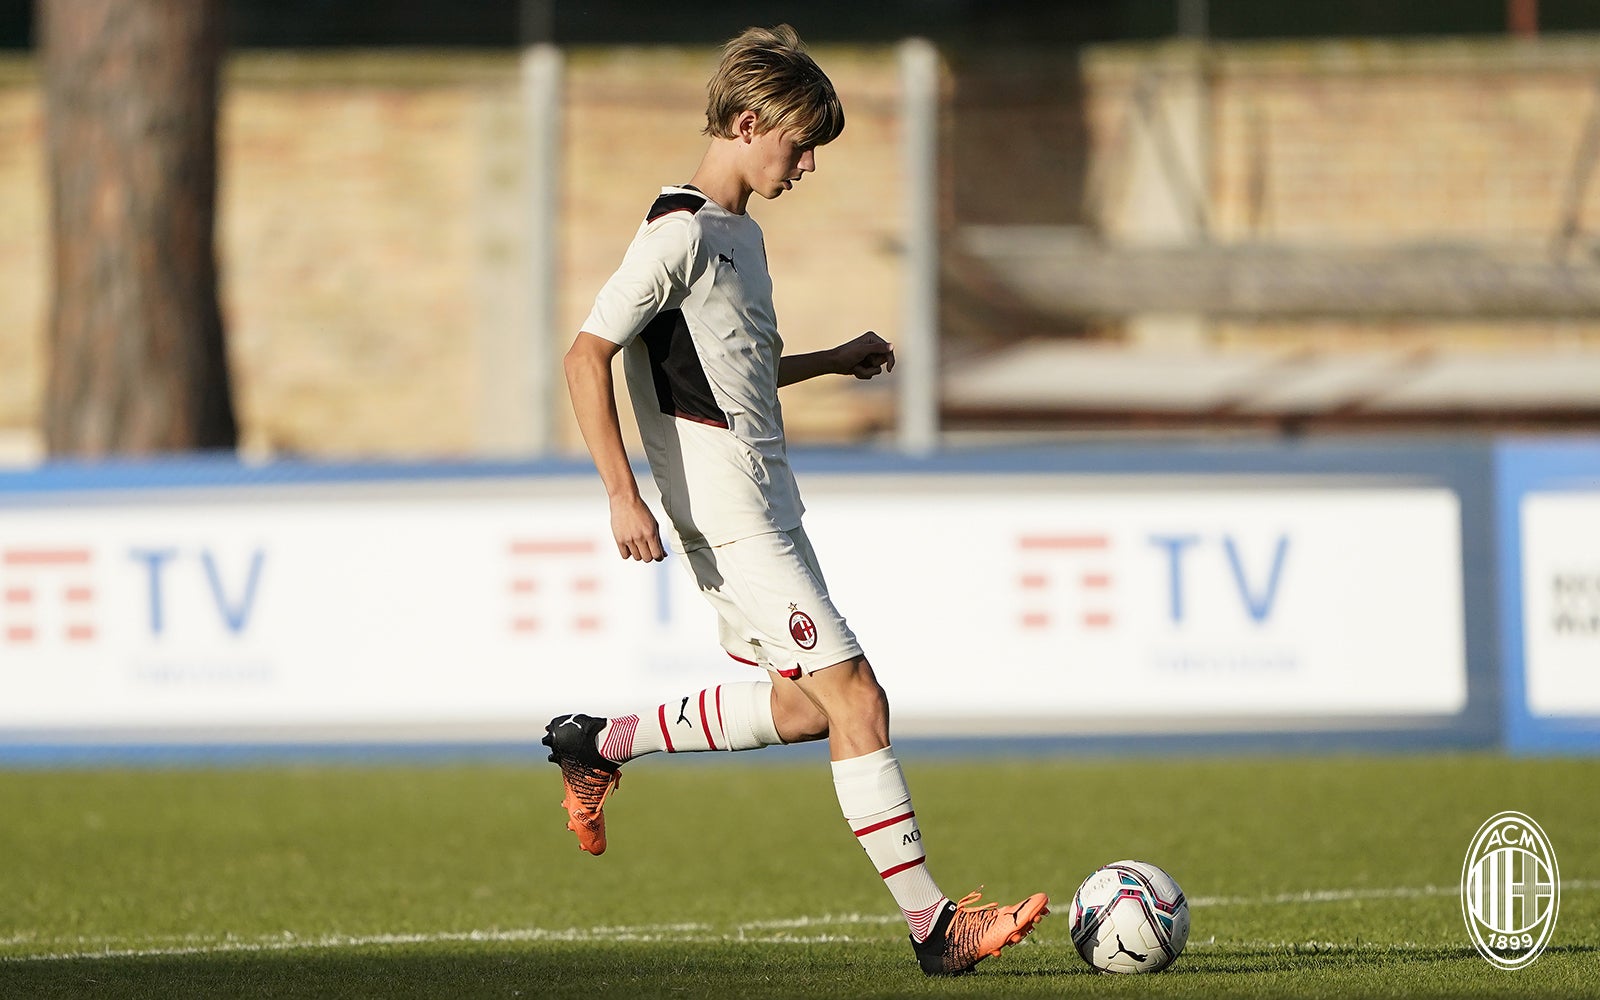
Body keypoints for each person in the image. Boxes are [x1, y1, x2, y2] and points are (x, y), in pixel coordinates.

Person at [547, 24, 1048, 976]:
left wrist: (831, 359)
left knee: (808, 707)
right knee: (859, 695)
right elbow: (585, 356)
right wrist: (622, 495)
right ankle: (935, 927)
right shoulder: (676, 234)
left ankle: (597, 743)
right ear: (746, 121)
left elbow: (734, 368)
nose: (809, 162)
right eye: (800, 141)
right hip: (730, 515)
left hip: (766, 506)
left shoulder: (738, 236)